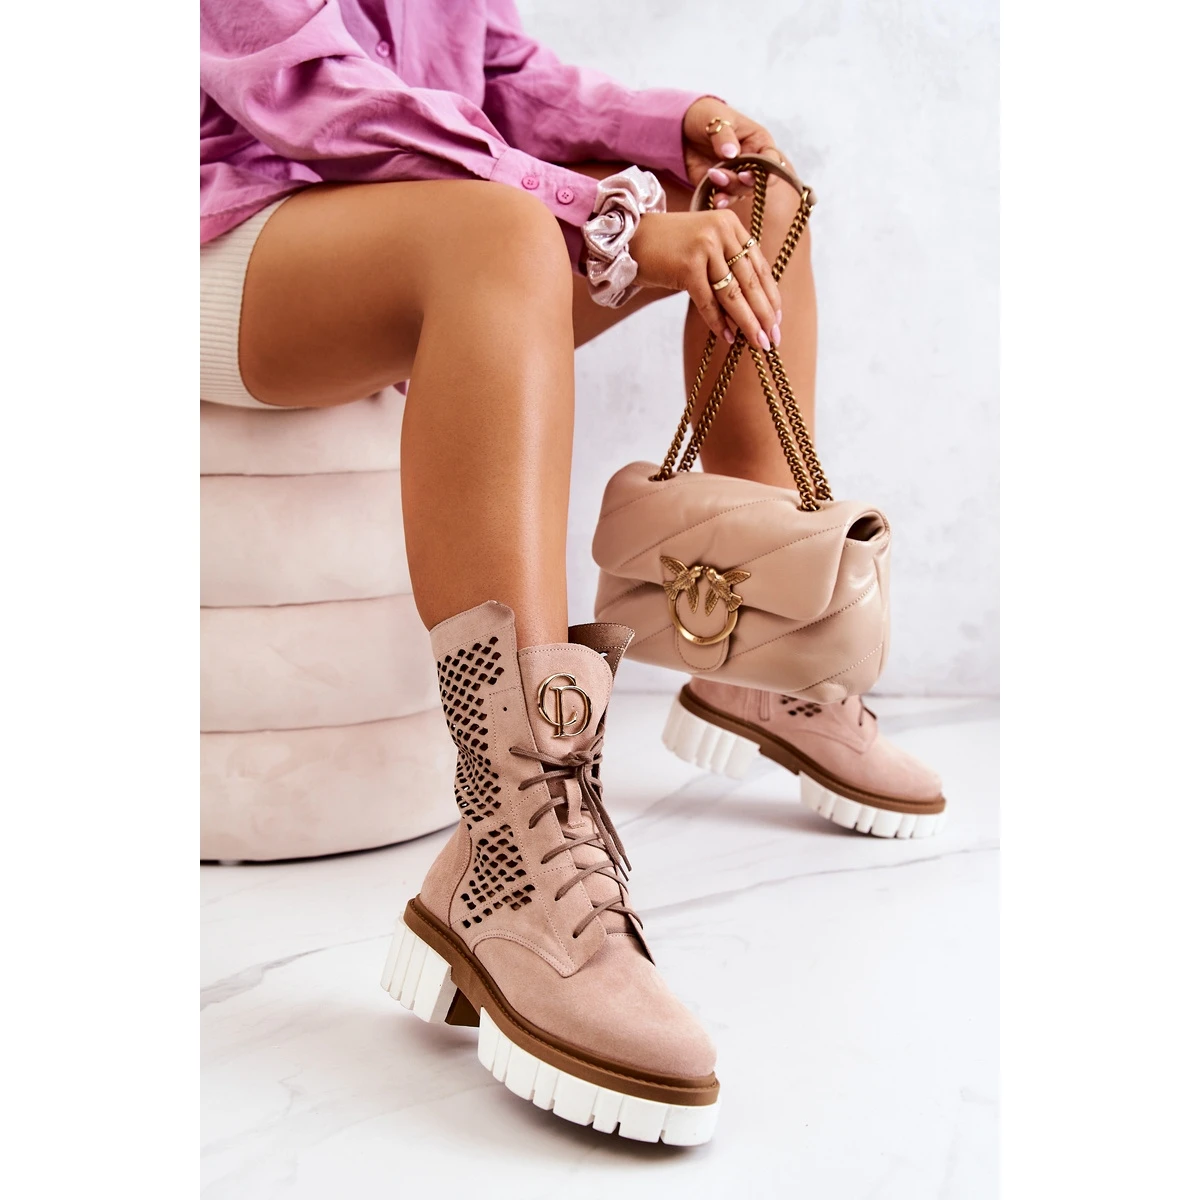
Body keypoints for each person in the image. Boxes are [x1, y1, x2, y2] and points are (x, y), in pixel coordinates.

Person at [201, 0, 943, 1145]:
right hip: (233, 220)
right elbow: (316, 98)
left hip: (405, 200)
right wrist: (604, 219)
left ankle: (755, 648)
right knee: (498, 235)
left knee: (750, 196)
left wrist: (669, 127)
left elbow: (497, 68)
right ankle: (512, 834)